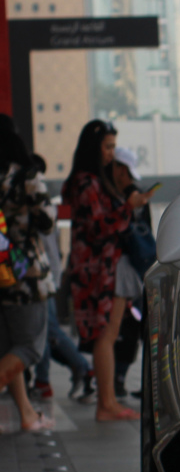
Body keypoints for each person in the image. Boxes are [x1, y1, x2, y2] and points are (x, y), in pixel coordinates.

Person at [64, 120, 151, 422]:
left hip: (99, 268)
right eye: (108, 147)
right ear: (94, 147)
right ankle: (106, 404)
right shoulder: (87, 183)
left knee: (109, 334)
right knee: (106, 336)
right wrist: (129, 206)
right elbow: (100, 228)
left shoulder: (86, 181)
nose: (111, 154)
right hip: (97, 269)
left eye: (114, 147)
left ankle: (109, 401)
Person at [0, 115, 56, 430]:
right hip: (24, 270)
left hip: (0, 266)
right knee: (29, 346)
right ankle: (27, 415)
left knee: (9, 346)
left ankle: (27, 415)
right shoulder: (26, 177)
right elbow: (47, 222)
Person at [29, 153, 90, 401]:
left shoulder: (35, 201)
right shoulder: (44, 204)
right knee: (46, 330)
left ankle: (74, 371)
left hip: (42, 277)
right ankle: (75, 371)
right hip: (47, 275)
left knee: (45, 330)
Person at [108, 148, 153, 398]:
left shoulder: (126, 197)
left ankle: (119, 378)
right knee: (134, 325)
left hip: (127, 269)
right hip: (140, 267)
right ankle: (128, 380)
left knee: (127, 326)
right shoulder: (137, 196)